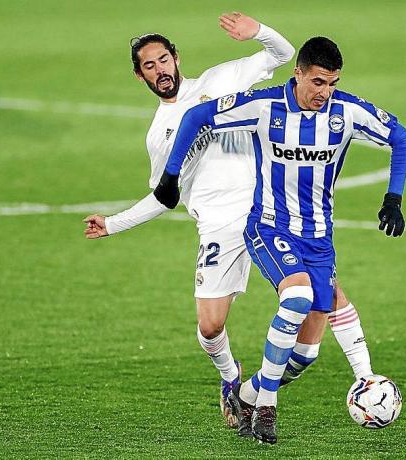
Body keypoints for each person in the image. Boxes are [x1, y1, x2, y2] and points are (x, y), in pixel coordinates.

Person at [154, 36, 406, 444]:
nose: (324, 93)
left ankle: (245, 393)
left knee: (306, 355)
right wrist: (170, 175)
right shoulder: (266, 106)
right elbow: (197, 116)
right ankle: (267, 408)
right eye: (317, 82)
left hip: (318, 238)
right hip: (269, 227)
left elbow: (402, 138)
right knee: (295, 298)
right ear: (298, 74)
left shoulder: (345, 112)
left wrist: (393, 197)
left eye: (332, 83)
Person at [82, 11, 295, 428]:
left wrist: (259, 32)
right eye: (149, 65)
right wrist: (113, 224)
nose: (159, 69)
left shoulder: (221, 80)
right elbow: (165, 197)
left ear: (176, 58)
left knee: (309, 298)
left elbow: (284, 53)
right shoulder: (158, 134)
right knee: (210, 326)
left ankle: (294, 385)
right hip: (218, 225)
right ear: (139, 76)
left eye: (163, 59)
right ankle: (231, 379)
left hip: (267, 212)